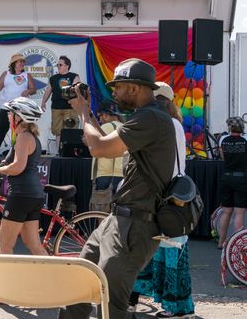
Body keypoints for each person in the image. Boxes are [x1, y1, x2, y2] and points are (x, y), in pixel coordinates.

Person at [59, 58, 176, 319]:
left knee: (109, 305)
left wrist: (81, 112)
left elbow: (99, 148)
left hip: (135, 225)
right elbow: (106, 142)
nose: (113, 93)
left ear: (134, 89)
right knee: (79, 284)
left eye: (118, 87)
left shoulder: (150, 118)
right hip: (119, 219)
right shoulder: (146, 117)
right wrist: (87, 111)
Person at [129, 82, 195, 319]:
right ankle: (172, 305)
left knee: (161, 249)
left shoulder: (163, 124)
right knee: (160, 249)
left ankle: (176, 307)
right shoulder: (174, 123)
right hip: (174, 193)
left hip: (164, 195)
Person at [0, 97, 47, 256]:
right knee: (33, 244)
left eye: (10, 113)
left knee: (5, 244)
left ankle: (4, 281)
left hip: (21, 195)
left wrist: (0, 171)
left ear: (19, 117)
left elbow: (18, 167)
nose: (8, 116)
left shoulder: (23, 137)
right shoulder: (31, 137)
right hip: (34, 195)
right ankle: (52, 277)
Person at [0, 53, 36, 153]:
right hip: (7, 107)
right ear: (14, 63)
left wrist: (28, 91)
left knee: (20, 131)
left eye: (23, 62)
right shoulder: (6, 74)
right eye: (20, 61)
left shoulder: (27, 75)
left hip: (21, 108)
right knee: (2, 129)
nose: (22, 63)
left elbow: (33, 89)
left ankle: (18, 152)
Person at [217, 116, 247, 249]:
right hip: (241, 178)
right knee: (239, 213)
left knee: (226, 212)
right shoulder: (245, 140)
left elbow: (223, 157)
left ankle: (221, 242)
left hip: (227, 177)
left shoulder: (223, 140)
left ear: (230, 127)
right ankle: (236, 246)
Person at [89, 101, 123, 212]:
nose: (100, 120)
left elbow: (93, 146)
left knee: (101, 212)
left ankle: (103, 230)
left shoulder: (104, 127)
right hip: (122, 176)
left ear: (106, 115)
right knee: (118, 214)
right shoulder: (125, 127)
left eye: (100, 116)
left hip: (105, 175)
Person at [41, 56, 80, 149]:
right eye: (57, 65)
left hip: (70, 108)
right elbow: (48, 90)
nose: (58, 66)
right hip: (56, 108)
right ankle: (59, 152)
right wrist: (43, 102)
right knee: (57, 131)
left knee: (70, 130)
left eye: (60, 64)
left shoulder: (74, 76)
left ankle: (70, 152)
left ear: (67, 66)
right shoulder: (53, 78)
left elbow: (78, 89)